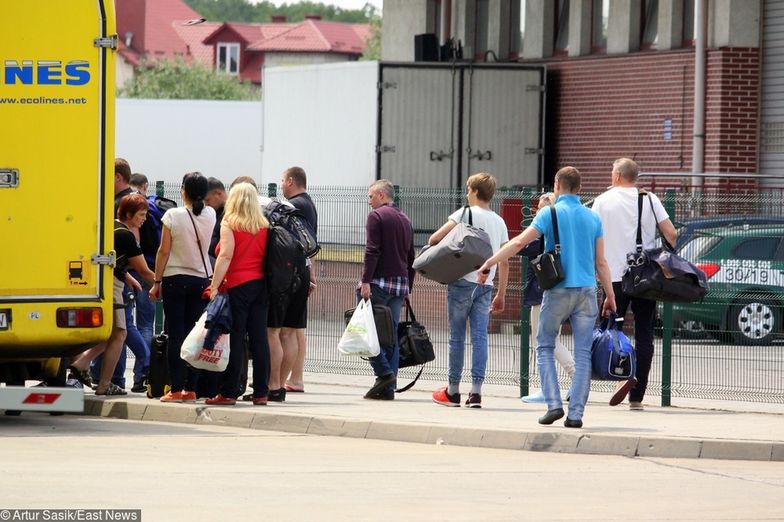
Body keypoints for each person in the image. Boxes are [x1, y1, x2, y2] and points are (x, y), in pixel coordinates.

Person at [478, 166, 615, 428]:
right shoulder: (593, 218)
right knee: (583, 353)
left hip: (557, 290)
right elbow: (601, 262)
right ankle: (576, 414)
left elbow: (518, 243)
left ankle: (553, 404)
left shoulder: (548, 213)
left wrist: (489, 262)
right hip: (587, 291)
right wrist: (610, 295)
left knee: (544, 344)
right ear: (579, 188)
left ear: (556, 185)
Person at [592, 158, 677, 411]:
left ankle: (618, 375)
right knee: (645, 335)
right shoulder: (650, 199)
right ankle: (637, 396)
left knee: (609, 330)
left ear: (617, 175)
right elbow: (671, 234)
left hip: (614, 277)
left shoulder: (602, 201)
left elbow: (592, 236)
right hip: (645, 277)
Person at [430, 173, 509, 409]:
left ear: (475, 192)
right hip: (487, 285)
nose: (466, 193)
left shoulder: (463, 214)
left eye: (467, 189)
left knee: (457, 337)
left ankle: (453, 390)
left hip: (462, 282)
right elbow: (504, 261)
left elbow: (435, 239)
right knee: (480, 337)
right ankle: (476, 393)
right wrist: (501, 293)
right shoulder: (499, 222)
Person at [69, 194, 156, 395]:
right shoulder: (127, 236)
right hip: (113, 288)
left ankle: (83, 364)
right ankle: (103, 384)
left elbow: (111, 260)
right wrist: (161, 285)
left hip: (100, 284)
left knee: (112, 333)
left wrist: (127, 277)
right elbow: (144, 270)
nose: (143, 219)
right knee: (120, 333)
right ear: (128, 214)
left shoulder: (109, 227)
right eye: (141, 215)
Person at [149, 172, 216, 403]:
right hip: (201, 280)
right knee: (194, 335)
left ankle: (176, 388)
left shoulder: (172, 215)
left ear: (183, 191)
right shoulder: (211, 215)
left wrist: (156, 281)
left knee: (176, 335)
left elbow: (164, 251)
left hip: (174, 279)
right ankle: (192, 388)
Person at [205, 183, 271, 406]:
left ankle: (229, 392)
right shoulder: (264, 225)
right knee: (259, 338)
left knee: (236, 338)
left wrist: (214, 286)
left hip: (237, 285)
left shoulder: (230, 222)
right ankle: (262, 391)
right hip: (261, 285)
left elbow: (225, 256)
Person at [359, 179, 415, 400]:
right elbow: (411, 256)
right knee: (389, 336)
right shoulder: (405, 218)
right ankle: (388, 389)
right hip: (400, 284)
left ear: (382, 195)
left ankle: (384, 373)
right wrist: (408, 287)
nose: (369, 201)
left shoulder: (377, 216)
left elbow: (372, 251)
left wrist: (365, 281)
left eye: (371, 196)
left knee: (367, 330)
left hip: (379, 283)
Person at [520, 192, 575, 403]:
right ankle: (557, 384)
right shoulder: (561, 230)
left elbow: (521, 247)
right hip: (557, 290)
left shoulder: (541, 233)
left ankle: (567, 378)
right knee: (550, 339)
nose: (536, 213)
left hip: (541, 292)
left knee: (544, 341)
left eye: (540, 208)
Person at [278, 167, 318, 394]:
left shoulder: (296, 205)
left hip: (292, 271)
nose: (281, 184)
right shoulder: (308, 203)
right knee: (297, 328)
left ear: (291, 181)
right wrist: (312, 273)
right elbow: (312, 241)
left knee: (288, 330)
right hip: (303, 268)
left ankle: (282, 378)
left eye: (283, 180)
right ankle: (296, 378)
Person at [205, 177, 228, 267]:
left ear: (219, 194)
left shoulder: (231, 214)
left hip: (220, 264)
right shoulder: (214, 212)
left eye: (207, 200)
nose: (206, 204)